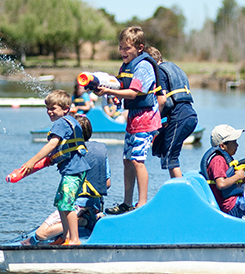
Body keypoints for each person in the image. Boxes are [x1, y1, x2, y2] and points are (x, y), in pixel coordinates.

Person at [94, 26, 162, 214]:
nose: (123, 52)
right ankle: (127, 203)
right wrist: (106, 90)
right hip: (133, 120)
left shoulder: (144, 66)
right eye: (121, 48)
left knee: (138, 161)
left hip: (146, 120)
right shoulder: (126, 67)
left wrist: (109, 91)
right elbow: (121, 88)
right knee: (127, 160)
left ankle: (142, 204)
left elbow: (133, 92)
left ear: (140, 47)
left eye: (127, 48)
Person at [22, 114, 111, 245]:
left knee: (40, 234)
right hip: (95, 205)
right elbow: (107, 184)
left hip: (77, 205)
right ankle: (86, 218)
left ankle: (83, 221)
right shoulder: (101, 151)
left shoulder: (71, 153)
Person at [20, 90, 90, 245]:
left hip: (74, 171)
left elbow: (52, 144)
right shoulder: (70, 121)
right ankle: (65, 237)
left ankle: (74, 239)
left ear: (65, 109)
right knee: (61, 203)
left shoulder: (60, 123)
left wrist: (32, 161)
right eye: (47, 108)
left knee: (67, 205)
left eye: (53, 108)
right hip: (73, 170)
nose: (49, 111)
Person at [145, 46, 198, 178]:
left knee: (170, 157)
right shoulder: (175, 69)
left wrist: (154, 120)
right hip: (190, 115)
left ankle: (180, 190)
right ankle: (178, 185)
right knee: (161, 148)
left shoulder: (160, 72)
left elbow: (162, 100)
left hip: (179, 117)